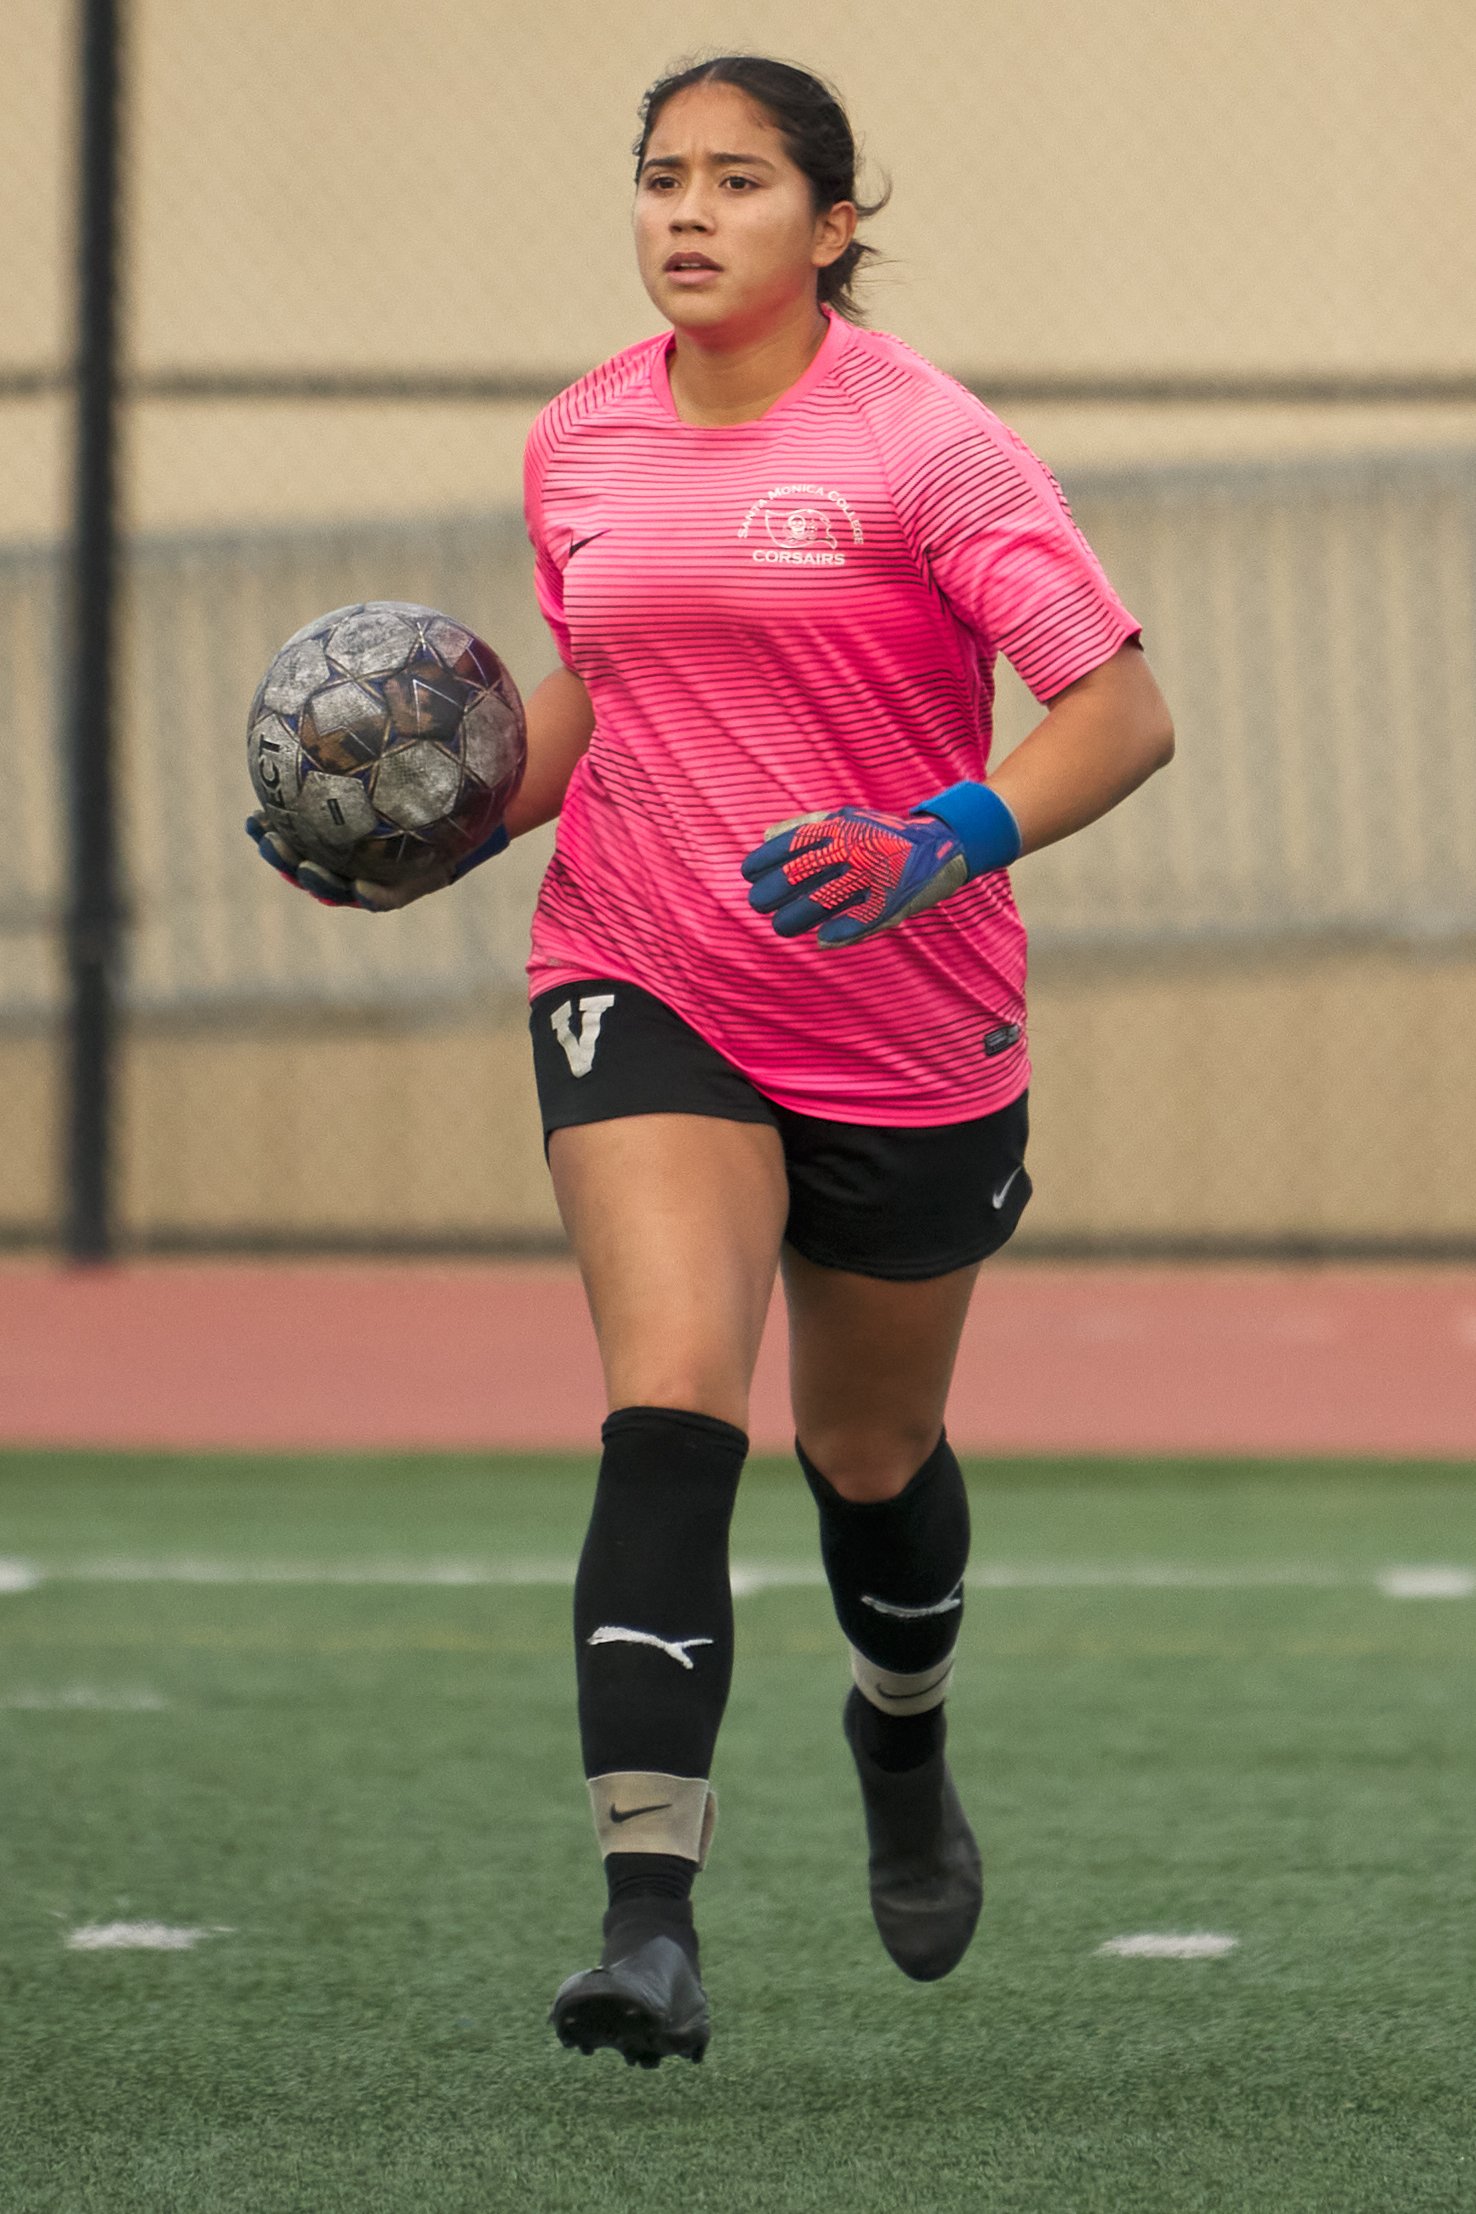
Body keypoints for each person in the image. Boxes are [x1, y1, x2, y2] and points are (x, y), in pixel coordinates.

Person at [248, 53, 1174, 2069]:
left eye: (739, 183)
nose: (686, 213)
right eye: (662, 177)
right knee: (674, 1404)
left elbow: (1117, 711)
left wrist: (940, 839)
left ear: (831, 224)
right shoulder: (581, 438)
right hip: (641, 963)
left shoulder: (928, 444)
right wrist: (452, 826)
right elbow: (601, 682)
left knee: (867, 1455)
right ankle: (646, 1916)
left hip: (908, 1016)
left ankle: (903, 1735)